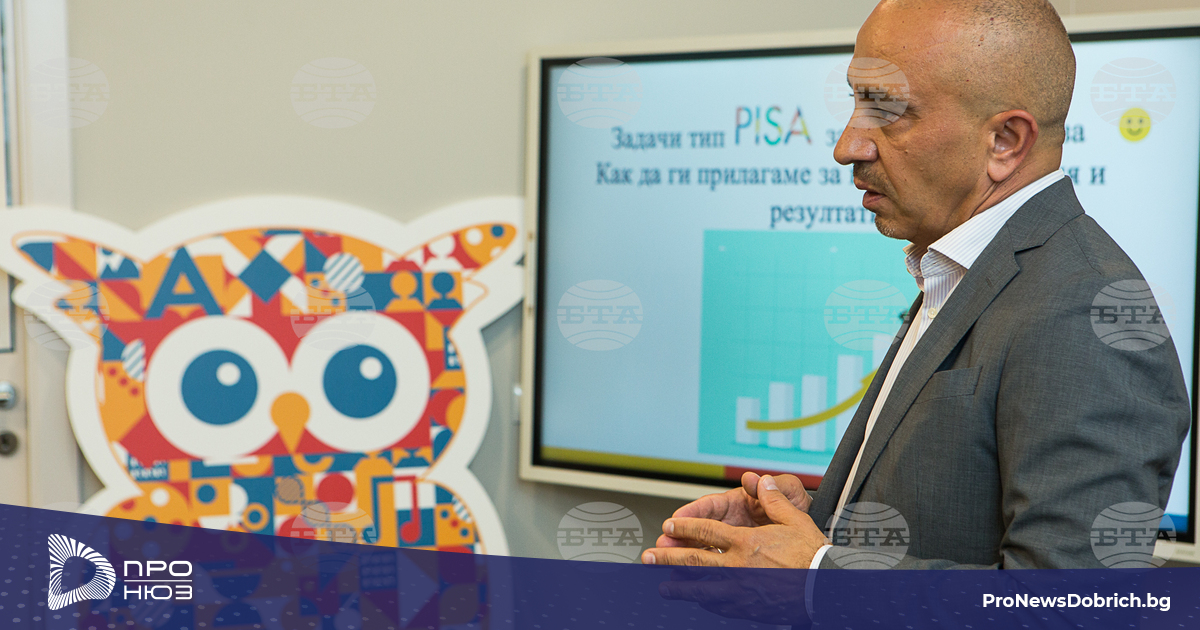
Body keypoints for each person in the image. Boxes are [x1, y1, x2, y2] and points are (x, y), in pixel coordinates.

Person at [643, 0, 1191, 571]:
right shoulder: (966, 268)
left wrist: (816, 572)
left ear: (1005, 141)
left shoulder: (1081, 311)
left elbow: (1071, 604)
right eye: (856, 103)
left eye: (887, 110)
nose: (847, 147)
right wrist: (812, 527)